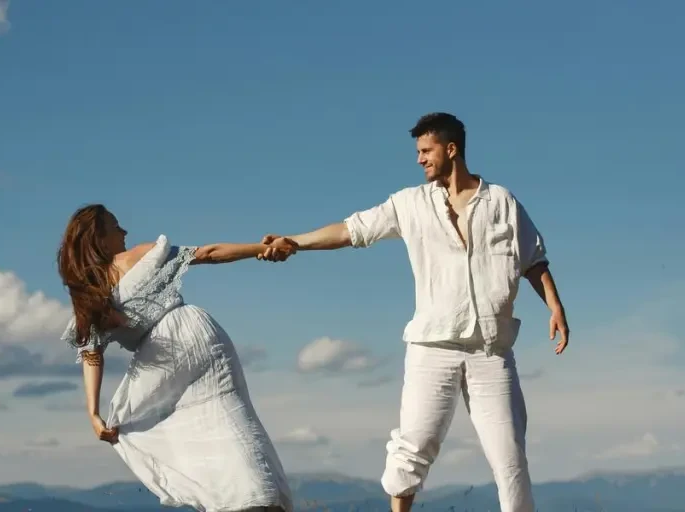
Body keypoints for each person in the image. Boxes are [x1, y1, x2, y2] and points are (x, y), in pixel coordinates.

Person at [257, 112, 569, 512]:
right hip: (431, 347)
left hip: (492, 352)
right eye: (418, 152)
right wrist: (295, 241)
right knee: (413, 447)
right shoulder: (410, 204)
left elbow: (533, 261)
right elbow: (351, 230)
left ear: (450, 149)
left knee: (511, 459)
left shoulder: (503, 203)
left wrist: (555, 306)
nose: (420, 159)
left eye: (426, 150)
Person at [56, 204, 295, 512]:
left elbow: (91, 354)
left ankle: (237, 498)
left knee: (169, 424)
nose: (125, 231)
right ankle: (257, 496)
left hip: (160, 357)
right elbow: (208, 253)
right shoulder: (140, 256)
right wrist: (261, 248)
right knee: (230, 415)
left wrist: (94, 412)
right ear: (100, 238)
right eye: (116, 227)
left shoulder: (90, 293)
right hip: (195, 336)